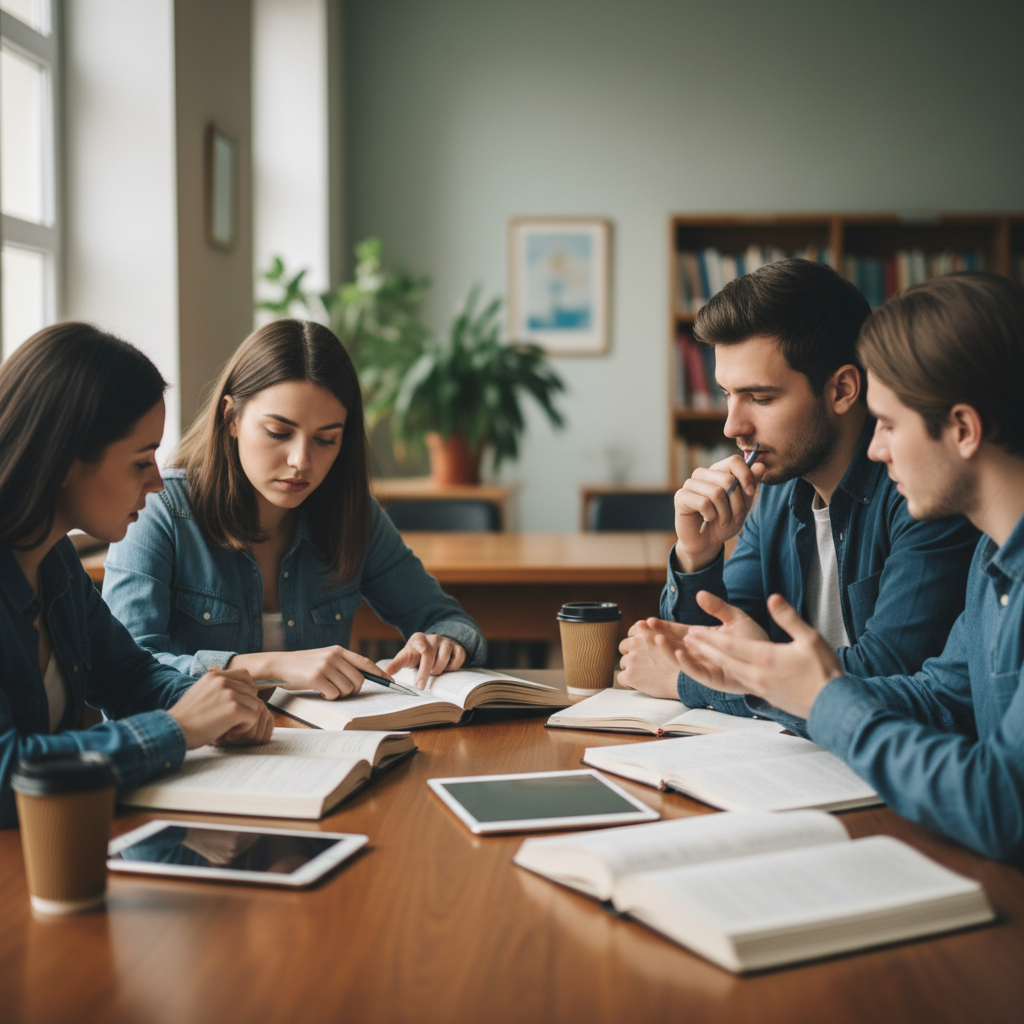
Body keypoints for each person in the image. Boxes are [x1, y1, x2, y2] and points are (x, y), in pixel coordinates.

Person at [666, 272, 1024, 862]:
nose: (876, 450)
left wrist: (812, 693)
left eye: (887, 424)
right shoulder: (993, 556)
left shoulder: (940, 515)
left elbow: (1001, 803)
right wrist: (701, 563)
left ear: (961, 429)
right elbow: (942, 697)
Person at [617, 258, 979, 732]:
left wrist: (687, 683)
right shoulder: (774, 490)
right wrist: (698, 553)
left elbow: (886, 670)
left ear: (843, 389)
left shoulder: (923, 492)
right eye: (728, 394)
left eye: (761, 398)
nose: (733, 426)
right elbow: (718, 647)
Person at [103, 319, 485, 697]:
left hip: (326, 749)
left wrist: (444, 643)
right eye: (278, 433)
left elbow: (450, 621)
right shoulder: (160, 508)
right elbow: (123, 673)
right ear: (230, 417)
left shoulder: (352, 513)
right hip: (201, 752)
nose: (301, 461)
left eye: (325, 439)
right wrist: (269, 667)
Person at [0, 324, 273, 827]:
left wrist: (204, 703)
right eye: (141, 460)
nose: (156, 481)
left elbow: (127, 673)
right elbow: (7, 770)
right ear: (62, 458)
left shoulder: (55, 559)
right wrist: (178, 729)